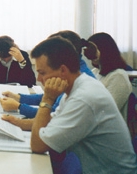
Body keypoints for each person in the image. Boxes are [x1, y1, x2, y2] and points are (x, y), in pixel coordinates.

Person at [30, 37, 137, 173]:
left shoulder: (84, 98)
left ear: (63, 70)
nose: (38, 79)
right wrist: (13, 123)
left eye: (42, 73)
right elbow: (50, 122)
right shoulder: (78, 86)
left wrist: (48, 99)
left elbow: (38, 145)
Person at [0, 30, 95, 130]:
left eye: (42, 73)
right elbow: (52, 102)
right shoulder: (76, 74)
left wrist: (19, 107)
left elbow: (51, 116)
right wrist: (18, 98)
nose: (39, 79)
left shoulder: (79, 86)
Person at [83, 32, 132, 122]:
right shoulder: (95, 72)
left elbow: (106, 112)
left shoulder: (118, 76)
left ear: (105, 50)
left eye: (93, 49)